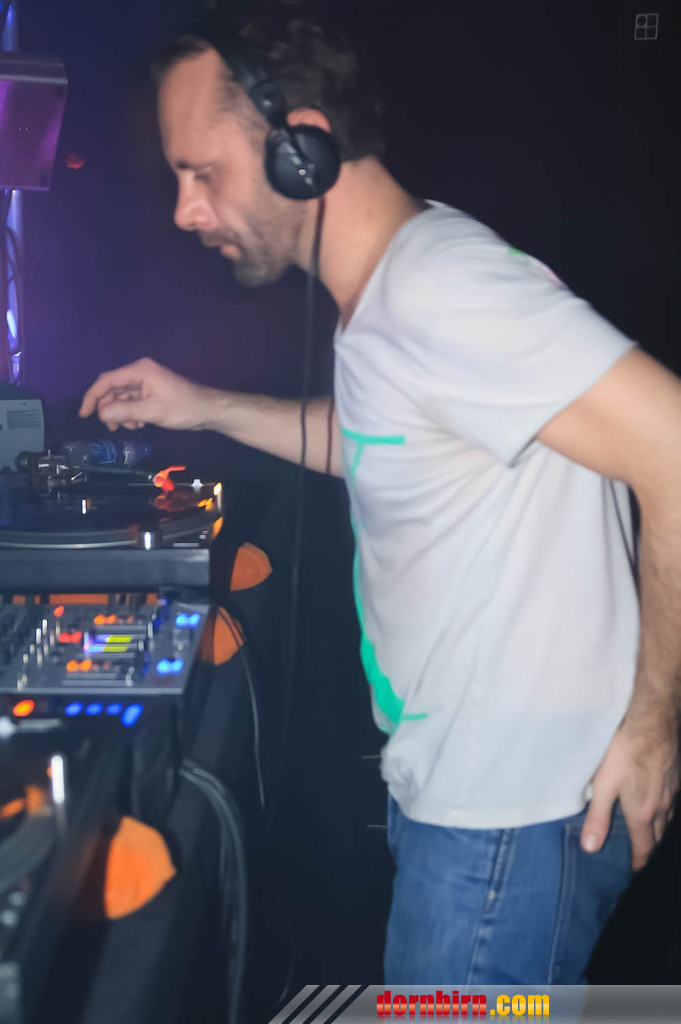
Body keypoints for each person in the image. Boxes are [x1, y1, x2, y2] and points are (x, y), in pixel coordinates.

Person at [79, 1, 681, 985]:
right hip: (477, 812)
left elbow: (676, 452)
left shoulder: (443, 290)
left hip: (506, 830)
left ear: (301, 149)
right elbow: (381, 442)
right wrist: (205, 406)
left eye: (204, 173)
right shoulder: (392, 288)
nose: (185, 209)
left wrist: (653, 730)